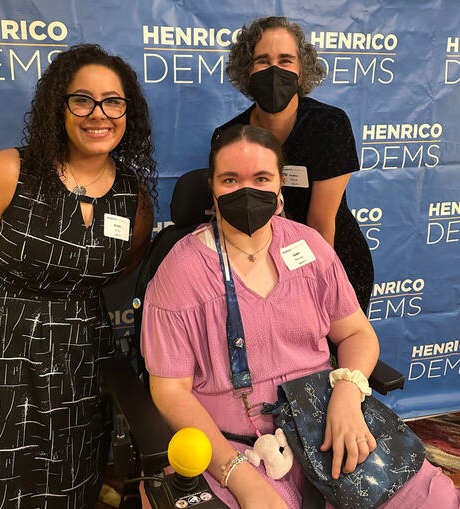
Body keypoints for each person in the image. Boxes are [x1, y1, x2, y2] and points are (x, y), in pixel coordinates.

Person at [141, 125, 459, 509]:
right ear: (213, 188)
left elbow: (356, 333)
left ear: (280, 185)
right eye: (230, 179)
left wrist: (348, 392)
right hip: (236, 446)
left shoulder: (308, 246)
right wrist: (238, 476)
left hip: (327, 421)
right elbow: (171, 391)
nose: (247, 191)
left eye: (261, 178)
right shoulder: (181, 272)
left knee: (437, 498)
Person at [0, 44, 156, 508]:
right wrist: (2, 295)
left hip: (77, 361)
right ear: (58, 108)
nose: (98, 114)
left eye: (113, 101)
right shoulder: (12, 170)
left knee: (69, 478)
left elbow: (121, 265)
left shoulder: (133, 195)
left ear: (128, 112)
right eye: (82, 100)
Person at [212, 16, 373, 312]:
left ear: (301, 70)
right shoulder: (229, 136)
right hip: (259, 269)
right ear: (247, 70)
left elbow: (320, 224)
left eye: (285, 60)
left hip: (331, 260)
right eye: (262, 61)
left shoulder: (329, 125)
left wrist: (315, 294)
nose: (274, 71)